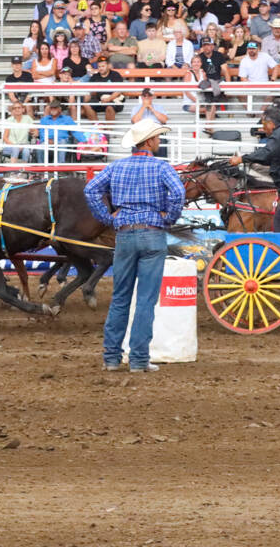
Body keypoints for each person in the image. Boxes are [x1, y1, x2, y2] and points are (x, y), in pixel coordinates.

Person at [83, 118, 185, 374]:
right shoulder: (161, 168)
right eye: (157, 138)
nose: (159, 142)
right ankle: (139, 359)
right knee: (146, 300)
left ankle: (112, 358)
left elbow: (91, 190)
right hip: (152, 233)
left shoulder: (116, 167)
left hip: (125, 234)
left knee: (120, 297)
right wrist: (168, 217)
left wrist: (107, 218)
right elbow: (178, 193)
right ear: (149, 142)